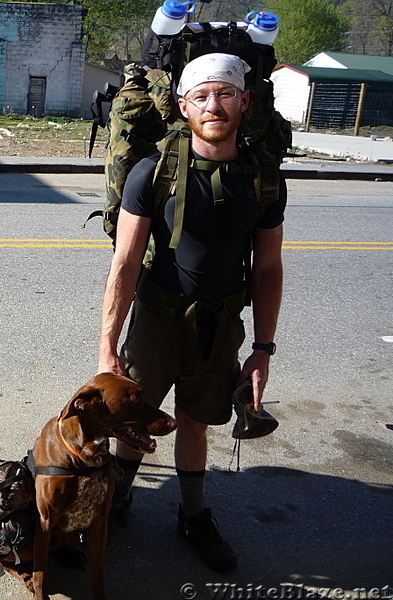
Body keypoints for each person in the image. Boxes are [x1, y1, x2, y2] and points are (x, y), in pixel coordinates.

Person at [97, 53, 285, 572]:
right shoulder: (150, 171)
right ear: (183, 106)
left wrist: (262, 351)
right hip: (156, 318)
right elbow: (126, 263)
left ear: (245, 102)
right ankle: (118, 501)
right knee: (135, 419)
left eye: (225, 93)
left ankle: (193, 516)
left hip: (220, 324)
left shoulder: (263, 177)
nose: (214, 105)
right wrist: (107, 348)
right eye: (201, 96)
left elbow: (268, 268)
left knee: (196, 423)